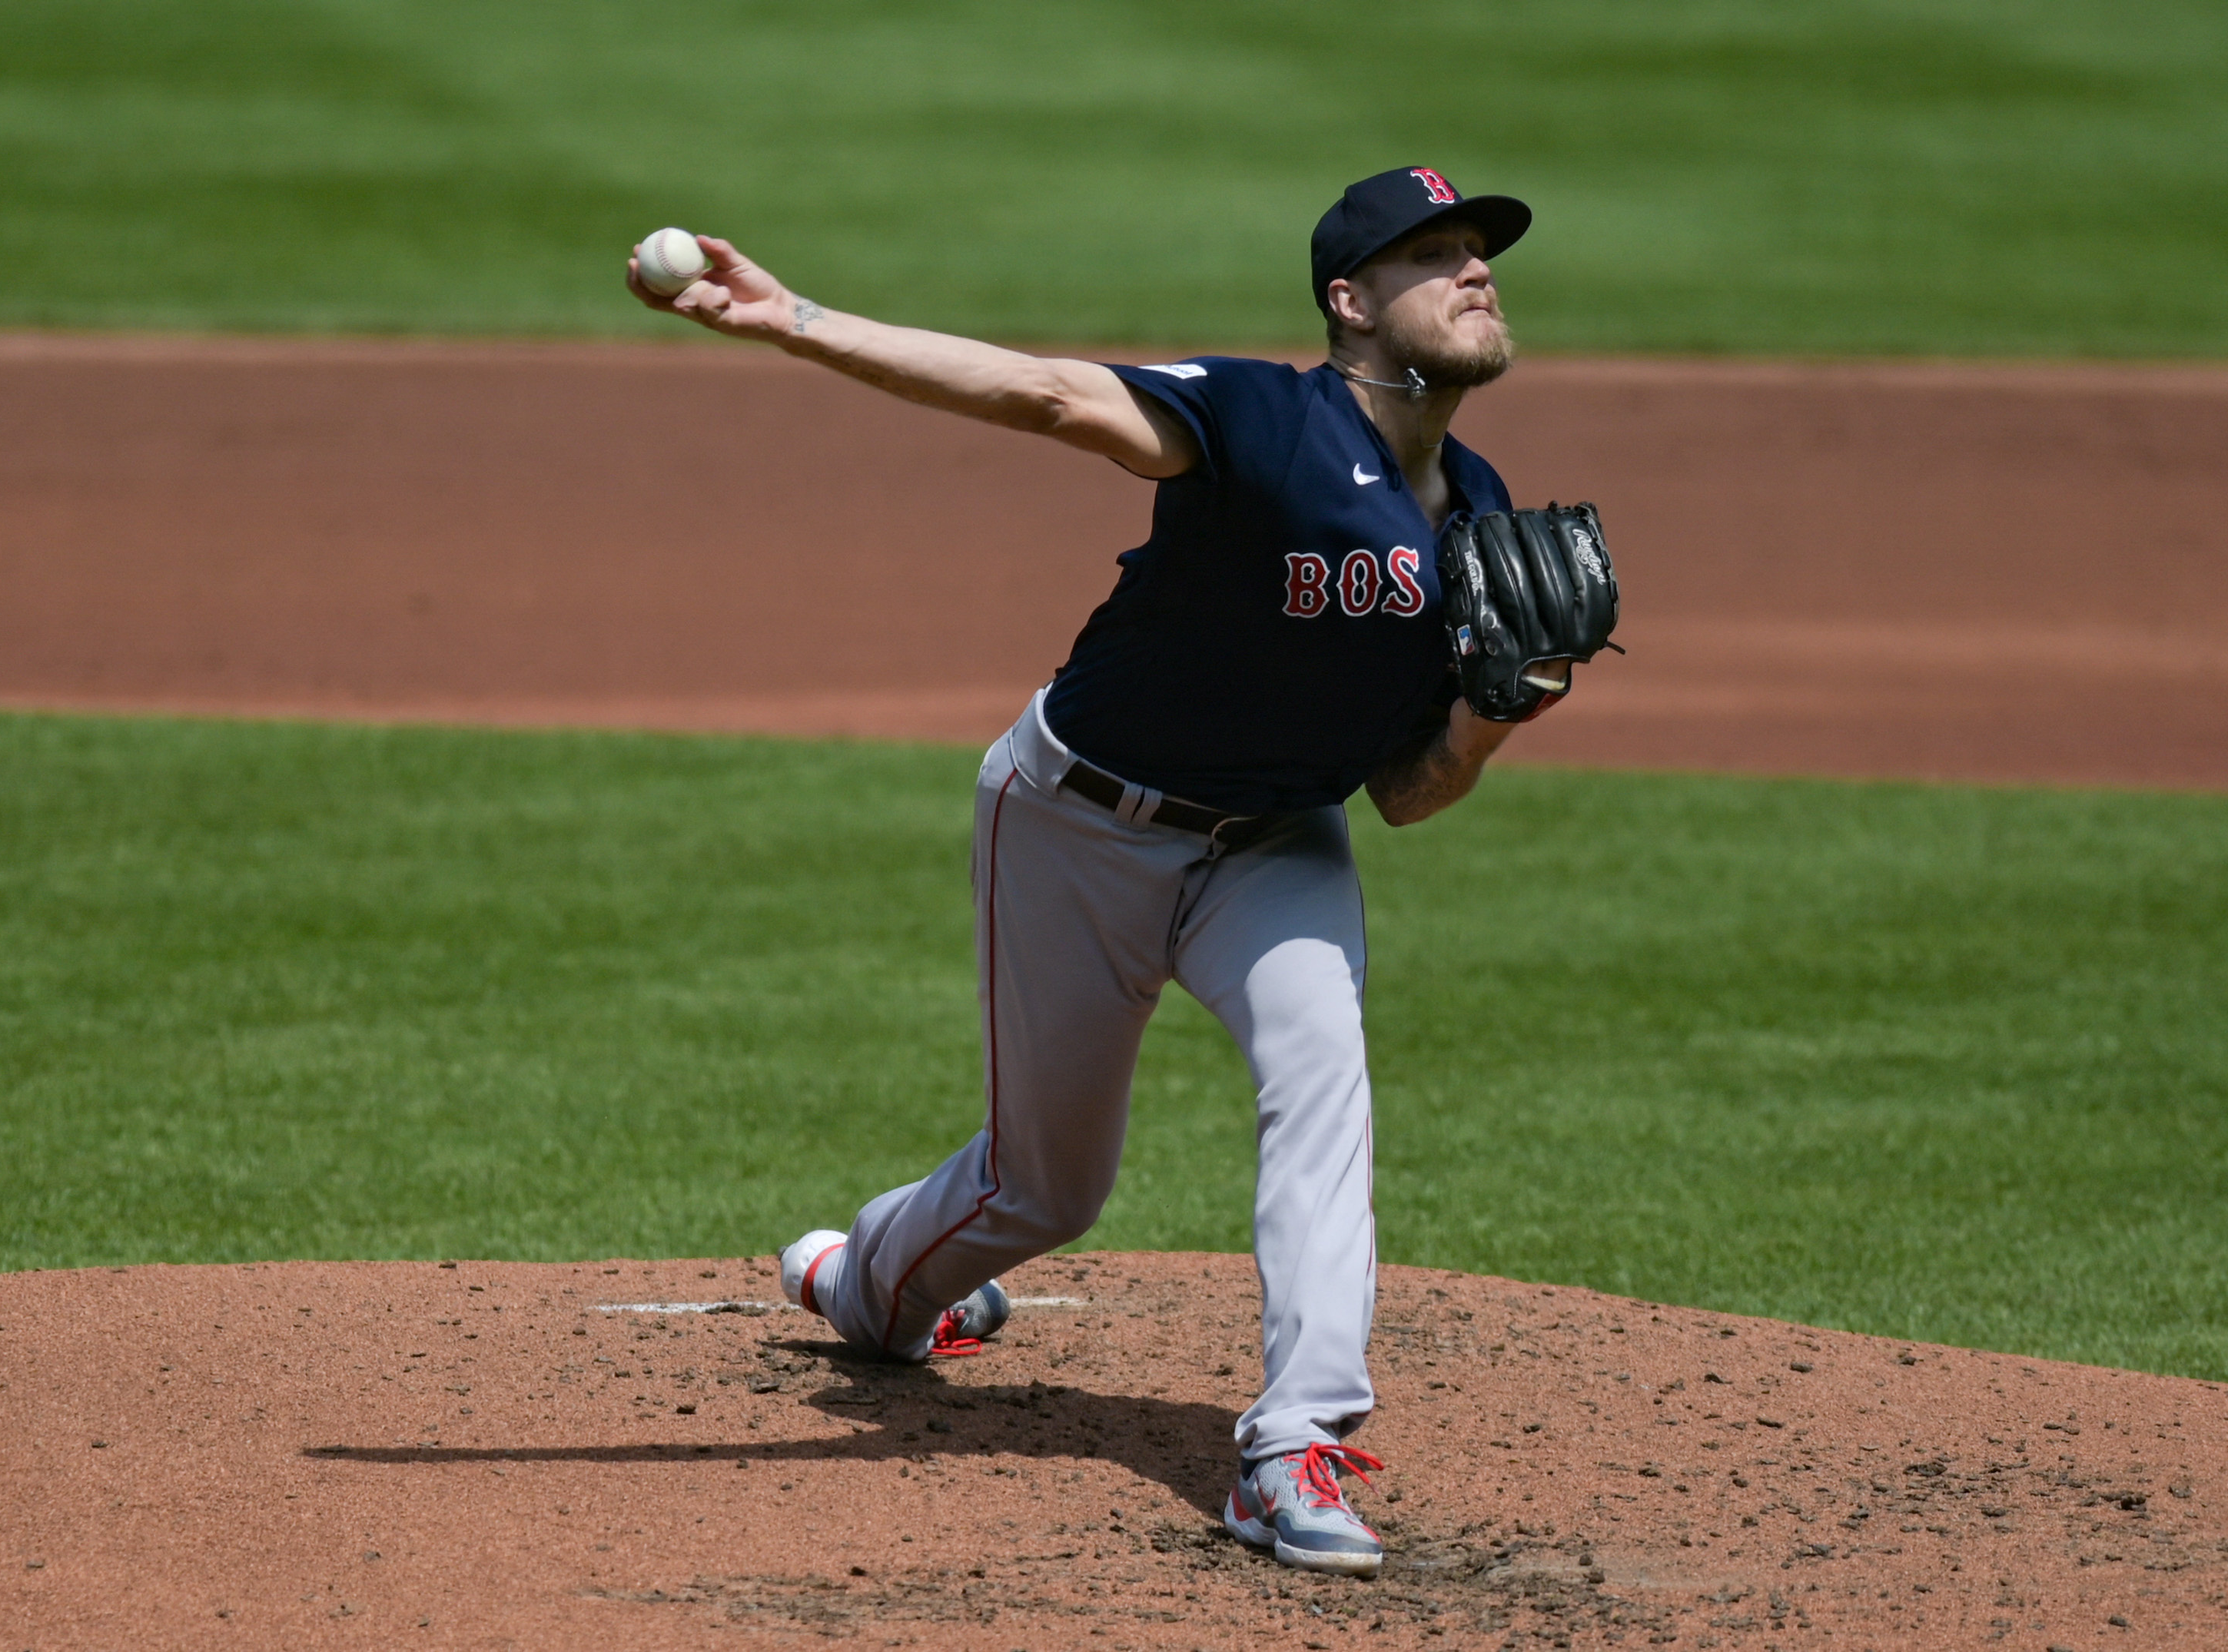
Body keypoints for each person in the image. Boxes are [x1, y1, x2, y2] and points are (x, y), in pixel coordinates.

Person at [629, 166, 1554, 1578]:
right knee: (1047, 1193)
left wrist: (1490, 723)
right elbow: (1052, 396)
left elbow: (1407, 793)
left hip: (1279, 846)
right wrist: (795, 318)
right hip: (1079, 819)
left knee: (1325, 1081)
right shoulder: (1261, 417)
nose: (1475, 272)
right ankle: (870, 1285)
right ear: (1351, 302)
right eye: (1433, 254)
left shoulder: (1478, 514)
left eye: (1480, 251)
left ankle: (1292, 1444)